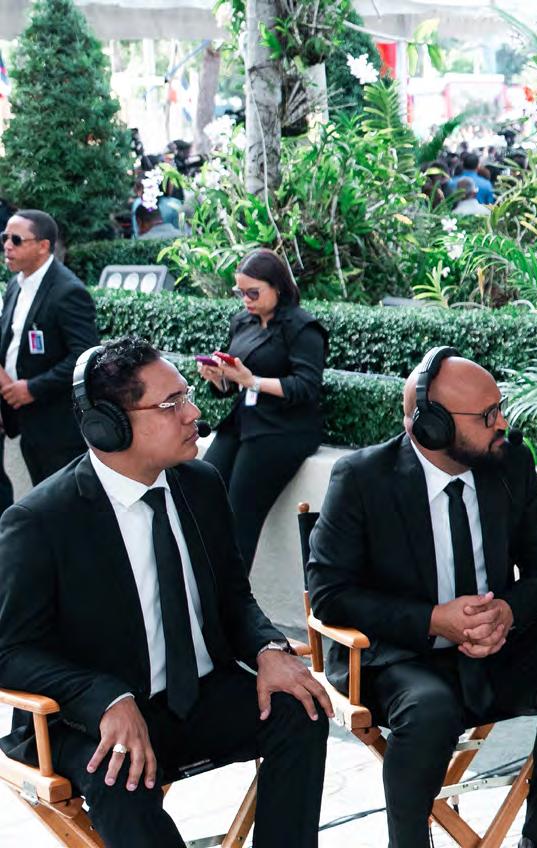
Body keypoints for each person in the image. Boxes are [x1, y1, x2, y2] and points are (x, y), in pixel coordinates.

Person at [0, 336, 329, 846]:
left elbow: (234, 599)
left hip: (199, 695)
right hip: (90, 719)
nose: (193, 413)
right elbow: (10, 651)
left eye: (186, 396)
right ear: (107, 425)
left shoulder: (202, 484)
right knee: (120, 773)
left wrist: (268, 648)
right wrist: (105, 697)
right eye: (171, 403)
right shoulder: (41, 520)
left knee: (302, 710)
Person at [305, 348, 537, 848]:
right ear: (433, 425)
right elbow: (329, 594)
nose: (502, 423)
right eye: (487, 416)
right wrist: (432, 619)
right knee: (430, 710)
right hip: (401, 656)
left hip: (499, 648)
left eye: (499, 408)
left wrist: (507, 611)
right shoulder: (362, 478)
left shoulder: (509, 463)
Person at [196, 249, 327, 571]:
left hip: (284, 428)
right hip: (244, 421)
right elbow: (233, 384)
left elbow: (305, 387)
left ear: (277, 287)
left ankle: (232, 594)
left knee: (241, 513)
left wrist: (251, 381)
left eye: (253, 292)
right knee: (203, 491)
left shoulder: (302, 327)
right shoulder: (243, 322)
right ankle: (204, 582)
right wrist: (219, 378)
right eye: (240, 292)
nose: (246, 300)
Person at [0, 209, 100, 509]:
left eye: (16, 240)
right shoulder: (16, 284)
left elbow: (85, 357)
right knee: (41, 504)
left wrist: (32, 388)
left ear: (43, 246)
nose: (7, 246)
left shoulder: (68, 291)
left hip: (57, 424)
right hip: (24, 419)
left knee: (65, 506)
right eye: (4, 238)